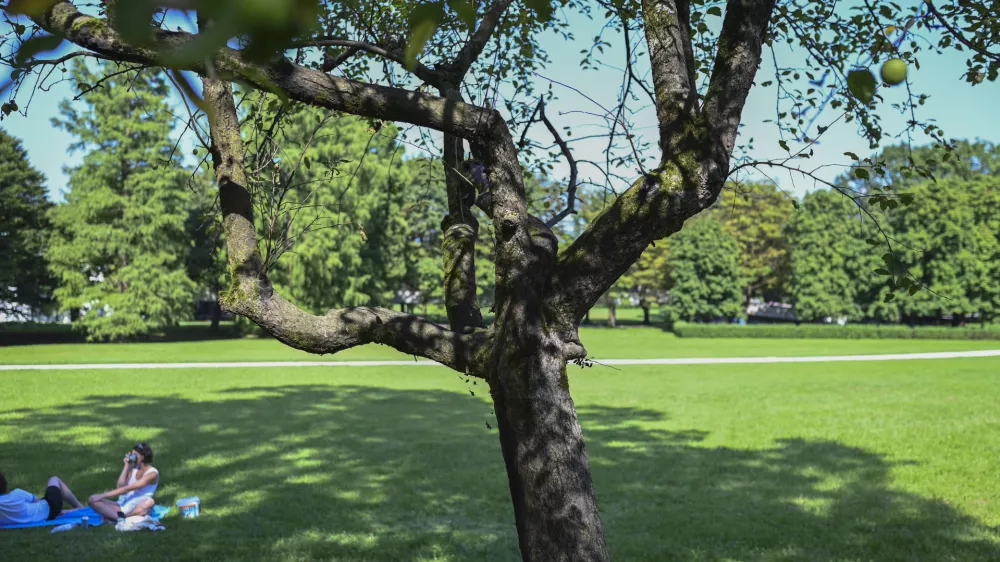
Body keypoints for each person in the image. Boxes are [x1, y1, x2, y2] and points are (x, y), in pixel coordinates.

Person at [88, 443, 159, 523]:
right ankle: (120, 518)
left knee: (150, 502)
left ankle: (118, 518)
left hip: (136, 507)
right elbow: (120, 486)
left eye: (134, 455)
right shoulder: (134, 469)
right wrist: (126, 466)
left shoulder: (152, 473)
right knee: (92, 499)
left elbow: (127, 489)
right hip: (121, 506)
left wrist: (102, 495)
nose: (132, 457)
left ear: (142, 457)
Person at [0, 472, 84, 525]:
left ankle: (63, 511)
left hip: (47, 513)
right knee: (54, 479)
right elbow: (38, 501)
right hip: (50, 507)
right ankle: (80, 507)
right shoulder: (17, 494)